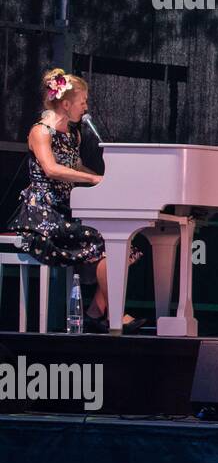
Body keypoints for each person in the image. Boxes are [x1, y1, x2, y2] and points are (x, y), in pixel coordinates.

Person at [9, 69, 140, 330]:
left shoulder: (73, 134)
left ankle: (95, 311)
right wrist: (93, 181)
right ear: (66, 104)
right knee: (106, 242)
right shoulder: (41, 131)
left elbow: (77, 166)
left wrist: (105, 178)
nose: (86, 107)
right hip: (43, 212)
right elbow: (51, 168)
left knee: (123, 241)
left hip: (67, 209)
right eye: (83, 102)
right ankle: (114, 315)